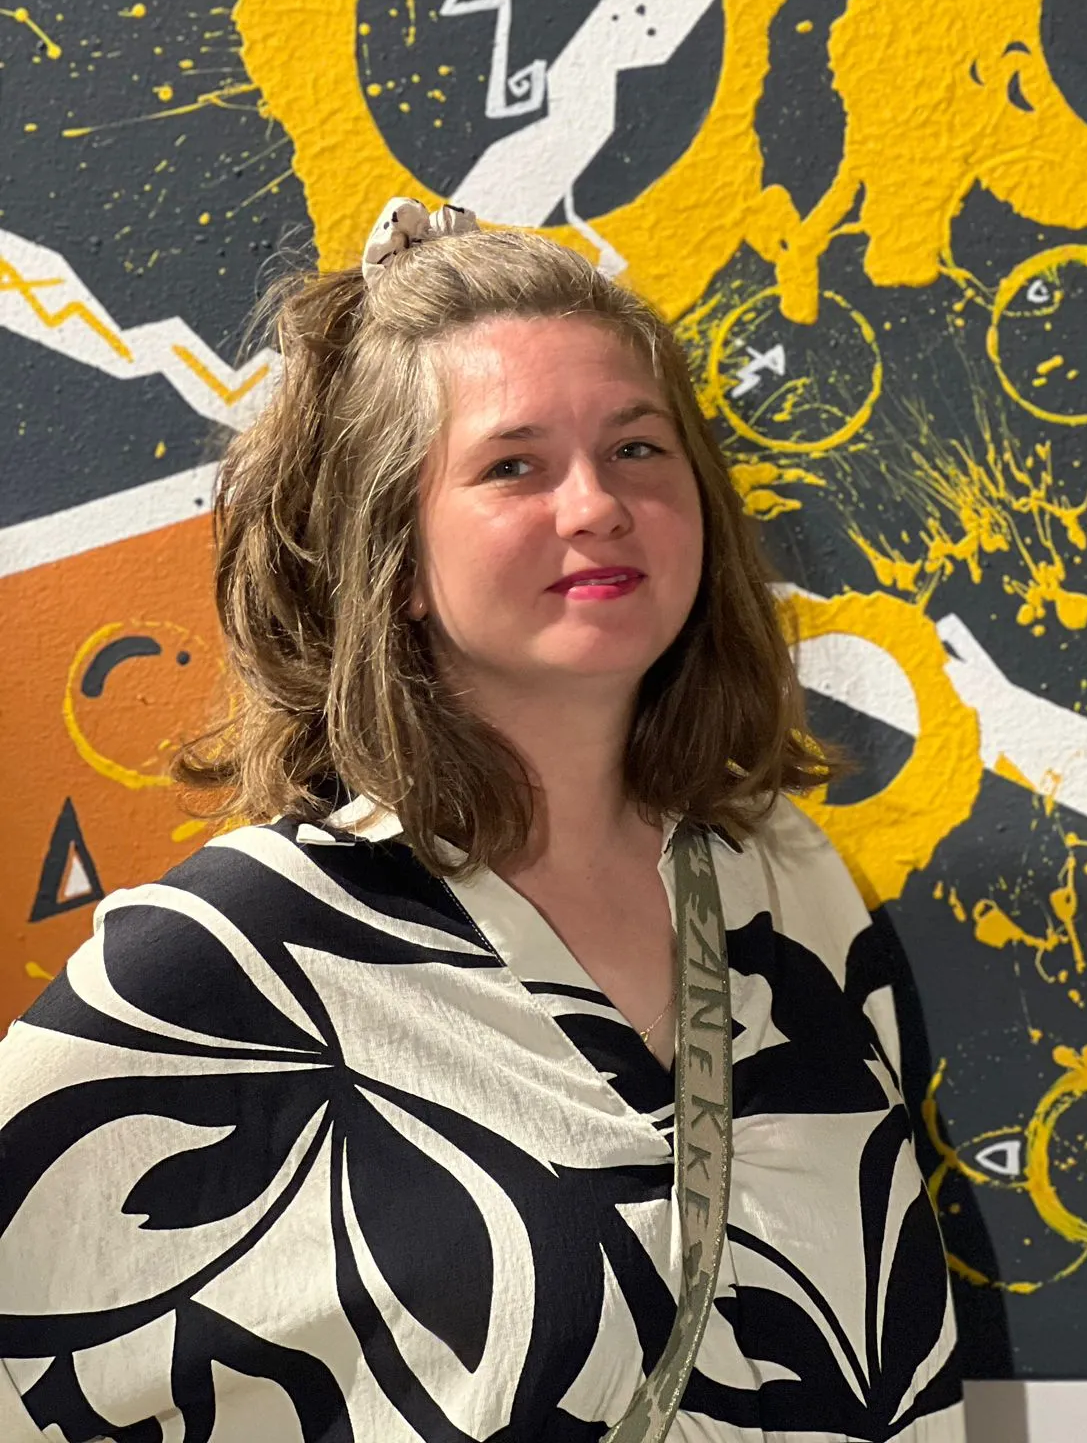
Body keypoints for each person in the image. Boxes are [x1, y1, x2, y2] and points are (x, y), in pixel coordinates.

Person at [0, 199, 964, 1443]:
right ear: (396, 554)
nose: (597, 504)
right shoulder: (242, 949)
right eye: (514, 464)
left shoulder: (780, 874)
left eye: (638, 447)